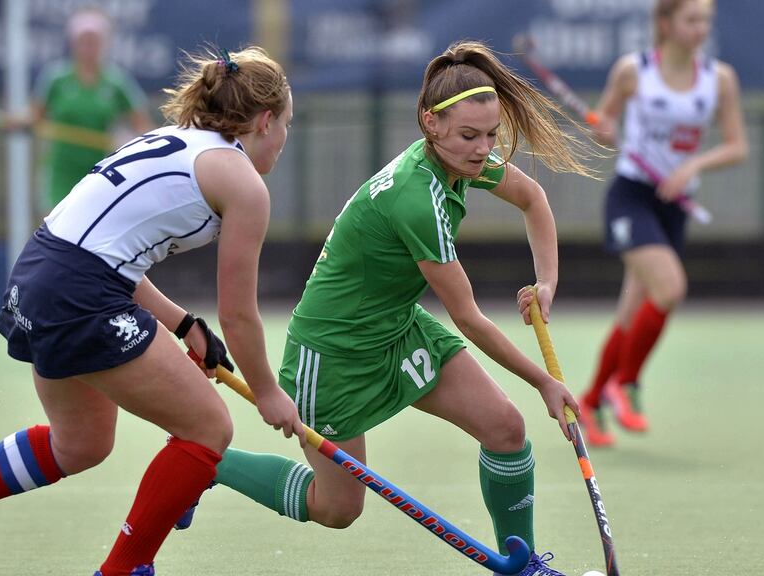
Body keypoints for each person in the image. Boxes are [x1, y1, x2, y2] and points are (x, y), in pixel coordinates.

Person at [0, 45, 305, 576]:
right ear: (265, 122)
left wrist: (183, 323)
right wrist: (266, 392)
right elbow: (238, 314)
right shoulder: (243, 184)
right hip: (79, 290)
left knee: (79, 444)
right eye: (287, 124)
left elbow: (107, 249)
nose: (285, 139)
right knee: (207, 428)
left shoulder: (173, 143)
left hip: (40, 271)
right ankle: (123, 570)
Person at [178, 40, 593, 576]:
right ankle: (206, 466)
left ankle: (526, 565)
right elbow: (467, 317)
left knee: (505, 429)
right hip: (333, 354)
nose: (481, 149)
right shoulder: (416, 198)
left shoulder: (459, 162)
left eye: (490, 136)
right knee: (337, 509)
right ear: (431, 124)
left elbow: (533, 199)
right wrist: (544, 381)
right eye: (469, 136)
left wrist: (547, 282)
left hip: (396, 329)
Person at [573, 0, 747, 447]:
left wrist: (692, 168)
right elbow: (604, 119)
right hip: (632, 197)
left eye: (706, 20)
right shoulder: (634, 71)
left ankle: (590, 402)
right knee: (670, 288)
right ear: (665, 24)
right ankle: (624, 383)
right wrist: (603, 127)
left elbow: (736, 146)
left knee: (631, 313)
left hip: (674, 201)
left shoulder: (718, 79)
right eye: (691, 20)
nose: (700, 29)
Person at [30, 6, 152, 211]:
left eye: (94, 42)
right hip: (61, 171)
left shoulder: (117, 82)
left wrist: (135, 141)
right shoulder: (56, 78)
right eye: (83, 42)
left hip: (101, 171)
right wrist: (17, 123)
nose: (89, 48)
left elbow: (142, 125)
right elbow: (34, 118)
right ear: (73, 44)